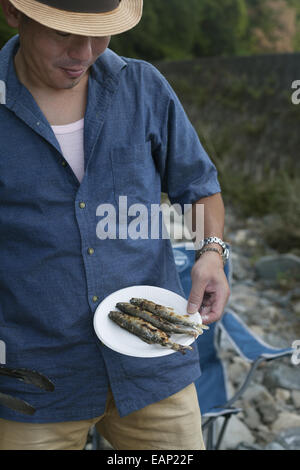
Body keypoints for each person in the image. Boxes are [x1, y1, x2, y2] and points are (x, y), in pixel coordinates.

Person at [0, 0, 230, 450]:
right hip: (34, 382)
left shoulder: (143, 86)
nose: (83, 52)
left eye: (99, 32)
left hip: (155, 366)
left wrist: (212, 253)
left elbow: (199, 187)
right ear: (13, 12)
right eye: (64, 33)